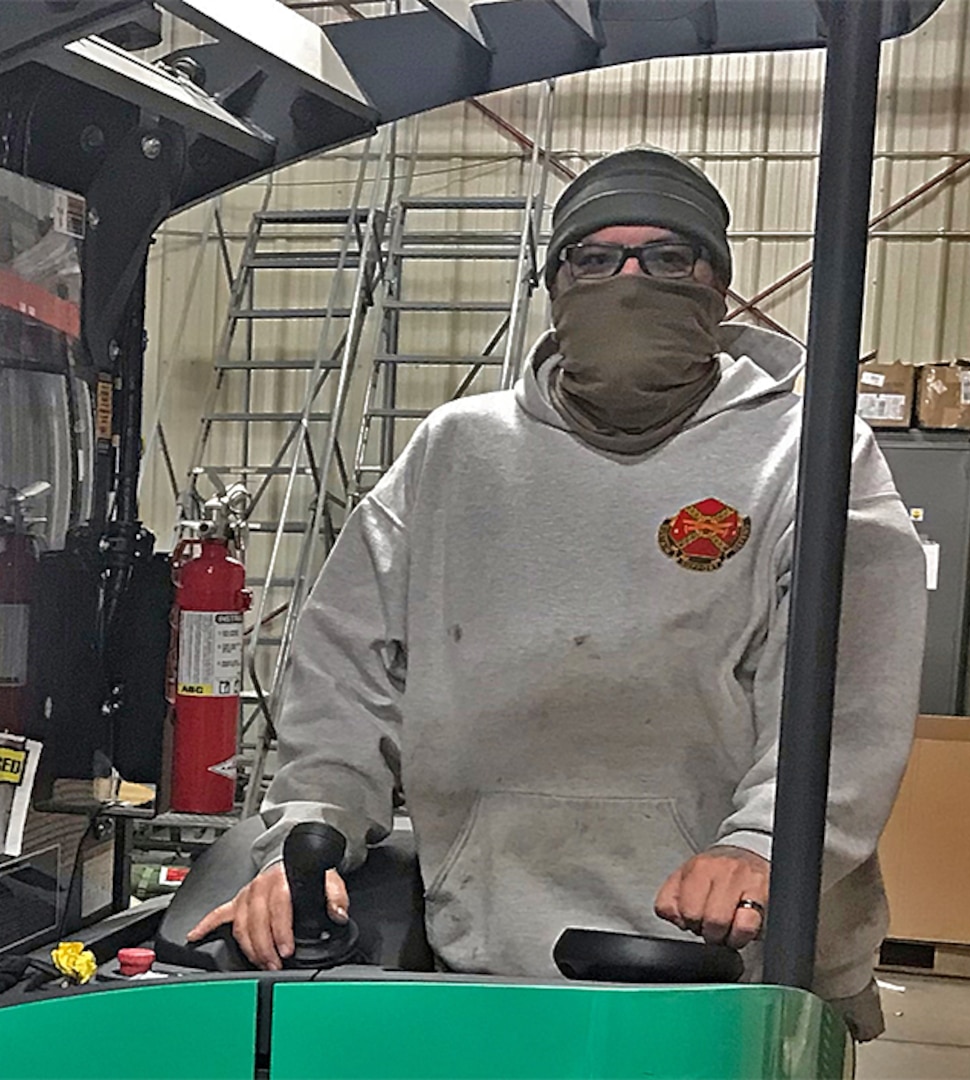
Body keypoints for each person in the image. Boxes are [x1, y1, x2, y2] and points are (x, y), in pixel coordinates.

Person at [188, 146, 926, 1040]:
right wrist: (310, 830)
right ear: (555, 283)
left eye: (666, 260)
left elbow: (848, 695)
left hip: (730, 954)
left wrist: (761, 846)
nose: (629, 281)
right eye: (595, 258)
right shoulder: (456, 454)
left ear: (718, 287)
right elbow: (346, 664)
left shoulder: (807, 454)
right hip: (482, 942)